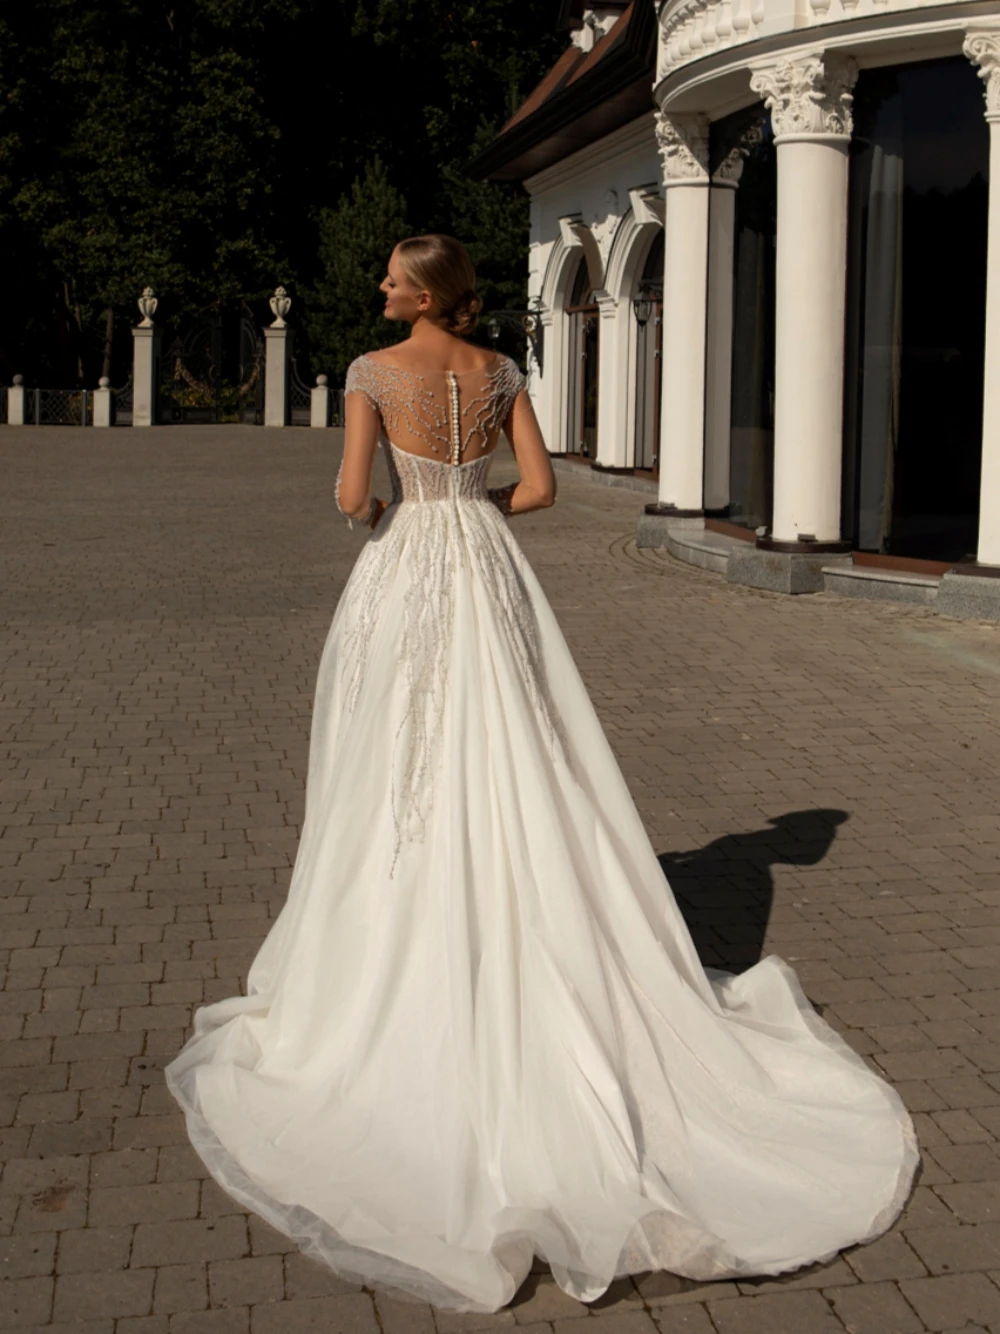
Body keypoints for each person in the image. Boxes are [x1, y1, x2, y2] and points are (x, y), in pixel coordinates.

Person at [165, 234, 918, 1315]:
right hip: (485, 562)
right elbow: (544, 487)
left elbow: (346, 496)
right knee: (518, 744)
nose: (377, 287)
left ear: (422, 293)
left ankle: (407, 921)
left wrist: (386, 517)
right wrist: (472, 514)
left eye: (389, 276)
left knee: (398, 755)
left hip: (410, 565)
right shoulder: (503, 371)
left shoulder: (373, 375)